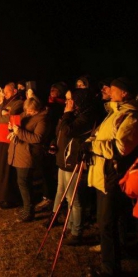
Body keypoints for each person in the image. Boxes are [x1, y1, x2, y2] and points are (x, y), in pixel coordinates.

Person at [84, 77, 138, 276]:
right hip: (103, 173)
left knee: (107, 223)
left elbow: (120, 148)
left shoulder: (130, 116)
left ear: (124, 93)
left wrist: (93, 146)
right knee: (115, 219)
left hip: (113, 175)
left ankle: (110, 269)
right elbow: (104, 137)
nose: (108, 91)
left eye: (112, 89)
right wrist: (91, 140)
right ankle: (120, 252)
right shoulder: (114, 112)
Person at [46, 89, 98, 245]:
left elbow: (67, 130)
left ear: (79, 102)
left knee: (73, 198)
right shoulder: (72, 115)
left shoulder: (85, 117)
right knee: (61, 190)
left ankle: (77, 231)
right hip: (63, 158)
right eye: (67, 99)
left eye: (70, 100)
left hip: (72, 161)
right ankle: (68, 224)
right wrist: (54, 143)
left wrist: (67, 114)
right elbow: (60, 132)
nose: (67, 103)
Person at [8, 97, 49, 222]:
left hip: (28, 155)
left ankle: (29, 211)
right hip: (20, 153)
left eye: (31, 111)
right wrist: (12, 129)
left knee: (24, 183)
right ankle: (27, 208)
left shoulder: (42, 119)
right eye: (27, 110)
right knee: (23, 183)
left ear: (37, 109)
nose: (28, 113)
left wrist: (19, 132)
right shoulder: (27, 114)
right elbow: (18, 124)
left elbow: (37, 138)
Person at [0, 83, 24, 209]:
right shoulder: (5, 103)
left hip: (8, 140)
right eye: (4, 92)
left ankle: (7, 198)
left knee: (6, 171)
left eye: (7, 91)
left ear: (14, 91)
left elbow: (10, 118)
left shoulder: (18, 102)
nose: (5, 94)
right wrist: (0, 113)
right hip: (0, 138)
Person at [35, 81, 69, 212]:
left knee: (50, 171)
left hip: (54, 143)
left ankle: (50, 198)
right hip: (47, 141)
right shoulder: (49, 104)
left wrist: (52, 141)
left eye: (55, 90)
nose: (52, 92)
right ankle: (49, 196)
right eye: (51, 89)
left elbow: (57, 125)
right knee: (45, 170)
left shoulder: (61, 107)